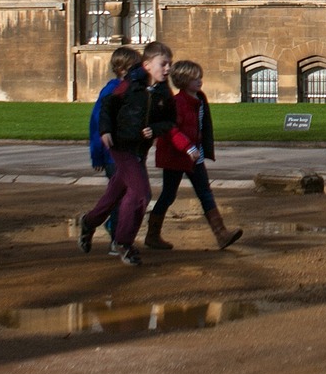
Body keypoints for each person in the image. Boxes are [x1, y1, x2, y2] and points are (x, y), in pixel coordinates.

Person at [77, 41, 174, 267]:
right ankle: (123, 242)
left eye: (170, 64)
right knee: (141, 193)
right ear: (148, 65)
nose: (168, 69)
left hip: (140, 149)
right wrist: (105, 130)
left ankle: (89, 222)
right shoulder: (129, 84)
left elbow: (170, 120)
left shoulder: (163, 90)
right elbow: (107, 107)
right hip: (121, 146)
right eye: (164, 64)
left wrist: (156, 129)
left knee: (115, 194)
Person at [145, 60, 242, 251]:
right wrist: (188, 148)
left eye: (200, 76)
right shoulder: (177, 102)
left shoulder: (200, 98)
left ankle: (221, 234)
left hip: (193, 155)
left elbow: (201, 127)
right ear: (183, 80)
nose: (200, 80)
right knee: (168, 195)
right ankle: (152, 234)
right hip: (176, 156)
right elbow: (172, 130)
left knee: (205, 192)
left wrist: (199, 149)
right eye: (194, 77)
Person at [87, 45, 139, 251]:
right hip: (112, 157)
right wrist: (97, 156)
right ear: (123, 69)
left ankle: (113, 229)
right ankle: (116, 238)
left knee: (125, 195)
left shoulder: (134, 90)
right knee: (121, 197)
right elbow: (97, 124)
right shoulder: (111, 90)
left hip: (128, 155)